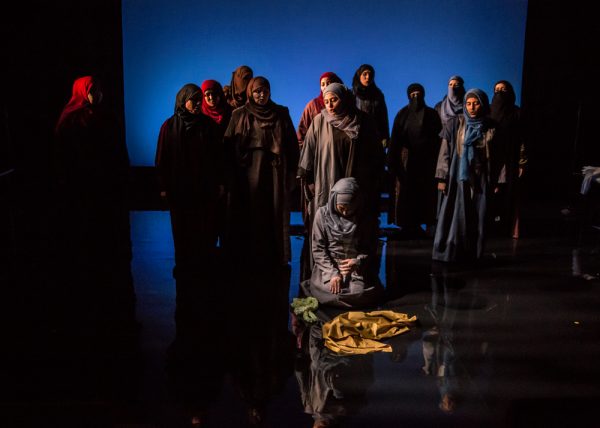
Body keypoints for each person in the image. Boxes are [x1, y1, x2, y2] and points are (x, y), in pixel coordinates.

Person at [53, 75, 135, 329]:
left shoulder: (106, 117)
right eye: (93, 90)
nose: (97, 94)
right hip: (84, 196)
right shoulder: (70, 120)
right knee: (89, 249)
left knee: (111, 250)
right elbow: (64, 160)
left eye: (99, 89)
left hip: (108, 195)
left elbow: (118, 153)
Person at [155, 83, 224, 340]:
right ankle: (184, 266)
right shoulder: (169, 126)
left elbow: (217, 158)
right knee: (182, 230)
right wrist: (163, 187)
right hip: (180, 191)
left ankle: (202, 266)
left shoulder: (207, 126)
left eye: (198, 99)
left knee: (205, 230)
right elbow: (162, 158)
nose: (196, 104)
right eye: (192, 100)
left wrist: (219, 183)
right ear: (182, 101)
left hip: (204, 191)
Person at [297, 83, 385, 279]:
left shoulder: (363, 121)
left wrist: (372, 183)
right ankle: (327, 273)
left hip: (357, 184)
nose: (330, 105)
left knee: (357, 226)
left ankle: (356, 270)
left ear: (344, 99)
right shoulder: (319, 121)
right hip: (327, 181)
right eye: (326, 101)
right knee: (326, 225)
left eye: (334, 100)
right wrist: (310, 184)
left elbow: (376, 155)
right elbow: (308, 155)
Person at [223, 76, 299, 268]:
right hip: (246, 174)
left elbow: (292, 145)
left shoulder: (280, 113)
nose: (262, 95)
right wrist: (229, 178)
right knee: (249, 213)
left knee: (274, 212)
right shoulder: (239, 114)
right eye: (257, 91)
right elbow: (228, 147)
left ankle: (273, 256)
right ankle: (248, 256)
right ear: (250, 92)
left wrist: (292, 173)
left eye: (265, 91)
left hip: (274, 173)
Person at [432, 88, 504, 262]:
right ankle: (451, 252)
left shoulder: (491, 126)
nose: (472, 107)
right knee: (456, 214)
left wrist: (498, 181)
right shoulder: (455, 124)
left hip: (482, 177)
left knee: (479, 216)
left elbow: (499, 156)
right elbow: (444, 152)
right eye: (468, 103)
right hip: (458, 175)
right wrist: (442, 177)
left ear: (483, 104)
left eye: (476, 103)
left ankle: (473, 255)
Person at [301, 177, 382, 308]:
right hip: (330, 266)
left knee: (358, 293)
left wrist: (358, 262)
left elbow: (370, 247)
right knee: (333, 292)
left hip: (356, 269)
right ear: (334, 201)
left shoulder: (365, 217)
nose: (345, 212)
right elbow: (318, 248)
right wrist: (332, 274)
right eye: (341, 208)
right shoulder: (322, 215)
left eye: (350, 208)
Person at [387, 83, 442, 236]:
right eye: (412, 95)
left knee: (424, 194)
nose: (416, 97)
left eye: (418, 94)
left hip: (426, 162)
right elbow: (395, 138)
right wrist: (392, 161)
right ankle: (406, 226)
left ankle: (423, 224)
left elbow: (438, 139)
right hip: (406, 162)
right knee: (405, 194)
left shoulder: (431, 114)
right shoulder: (402, 114)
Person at [489, 80, 527, 239]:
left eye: (503, 90)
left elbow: (523, 139)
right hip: (490, 158)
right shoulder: (488, 111)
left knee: (509, 193)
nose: (499, 93)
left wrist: (522, 162)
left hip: (510, 157)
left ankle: (507, 228)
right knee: (491, 192)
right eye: (496, 89)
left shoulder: (517, 112)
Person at [297, 71, 344, 149]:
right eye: (322, 84)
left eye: (328, 83)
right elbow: (302, 132)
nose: (325, 87)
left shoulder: (345, 103)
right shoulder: (312, 105)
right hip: (318, 150)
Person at [352, 64, 390, 148]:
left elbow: (383, 117)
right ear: (359, 75)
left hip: (375, 137)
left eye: (370, 74)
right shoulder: (352, 94)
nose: (368, 77)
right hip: (356, 138)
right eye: (364, 74)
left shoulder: (378, 95)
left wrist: (385, 137)